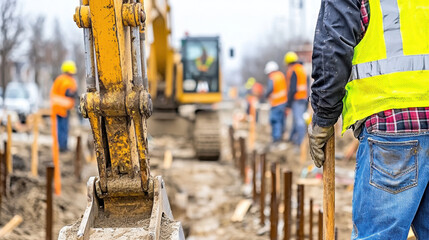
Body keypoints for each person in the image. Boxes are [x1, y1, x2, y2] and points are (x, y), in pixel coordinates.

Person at [309, 0, 429, 239]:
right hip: (399, 125)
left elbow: (333, 49)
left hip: (392, 124)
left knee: (378, 234)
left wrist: (324, 118)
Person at [50, 60, 78, 152]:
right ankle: (63, 147)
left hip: (58, 107)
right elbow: (68, 92)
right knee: (63, 128)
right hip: (63, 108)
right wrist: (76, 96)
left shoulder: (60, 79)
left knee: (61, 128)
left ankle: (62, 145)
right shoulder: (67, 80)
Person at [284, 51, 308, 146]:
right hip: (303, 98)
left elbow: (292, 88)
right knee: (297, 120)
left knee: (299, 121)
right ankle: (292, 139)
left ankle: (300, 142)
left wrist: (288, 104)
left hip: (297, 98)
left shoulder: (293, 70)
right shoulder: (302, 69)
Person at [264, 61, 287, 142]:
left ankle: (276, 138)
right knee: (281, 121)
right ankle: (280, 136)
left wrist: (265, 95)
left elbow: (270, 89)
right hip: (283, 102)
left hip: (276, 103)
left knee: (275, 121)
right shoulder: (281, 75)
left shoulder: (272, 77)